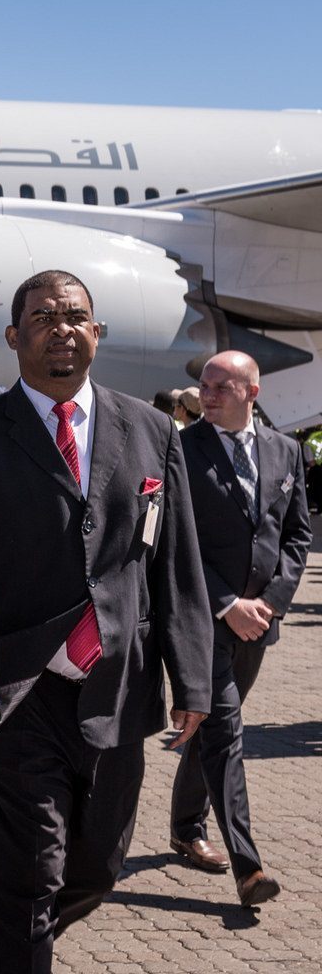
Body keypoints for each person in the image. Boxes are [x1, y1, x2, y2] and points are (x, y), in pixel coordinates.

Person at [0, 270, 212, 973]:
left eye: (76, 316)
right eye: (44, 317)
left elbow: (175, 564)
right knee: (31, 874)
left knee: (96, 870)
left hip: (118, 688)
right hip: (13, 692)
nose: (62, 328)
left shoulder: (152, 430)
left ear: (96, 332)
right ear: (13, 336)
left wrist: (195, 680)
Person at [169, 351, 306, 907]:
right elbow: (176, 539)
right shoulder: (182, 449)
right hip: (204, 619)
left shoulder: (286, 450)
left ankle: (185, 827)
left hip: (258, 623)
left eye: (221, 386)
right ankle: (250, 870)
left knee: (208, 728)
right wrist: (227, 604)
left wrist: (270, 603)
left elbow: (296, 536)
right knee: (225, 733)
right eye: (205, 385)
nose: (208, 394)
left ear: (253, 391)